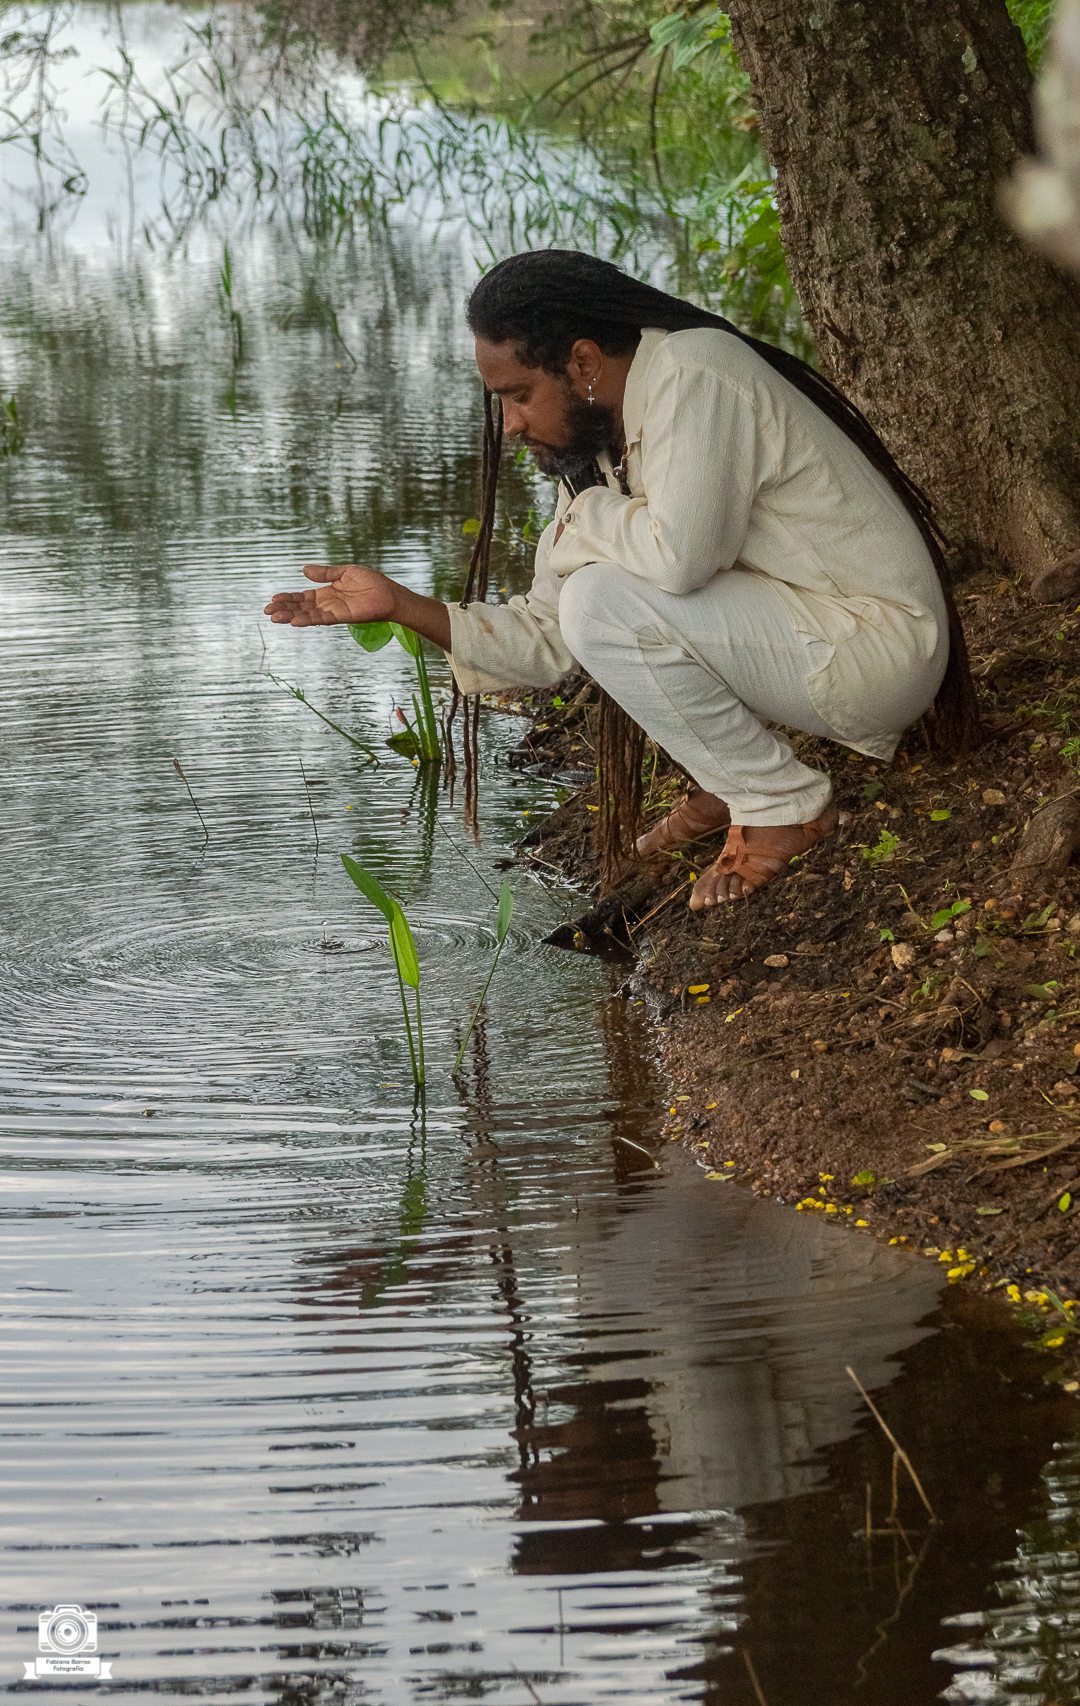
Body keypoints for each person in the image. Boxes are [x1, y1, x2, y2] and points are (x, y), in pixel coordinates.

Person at [265, 249, 979, 907]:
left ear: (582, 362)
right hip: (818, 640)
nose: (510, 424)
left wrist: (587, 516)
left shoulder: (695, 373)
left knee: (600, 598)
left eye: (518, 395)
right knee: (592, 601)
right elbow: (551, 638)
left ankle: (779, 806)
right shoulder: (597, 449)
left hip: (879, 651)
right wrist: (402, 605)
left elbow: (678, 559)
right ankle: (730, 781)